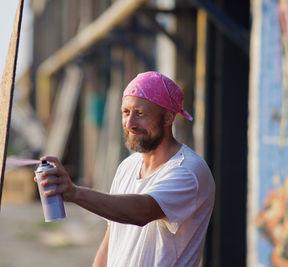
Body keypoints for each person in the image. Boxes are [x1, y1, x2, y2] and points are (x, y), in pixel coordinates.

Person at [36, 71, 215, 267]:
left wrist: (74, 193)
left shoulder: (189, 170)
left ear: (168, 117)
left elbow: (141, 212)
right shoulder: (128, 166)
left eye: (140, 114)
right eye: (126, 112)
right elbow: (110, 242)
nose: (130, 124)